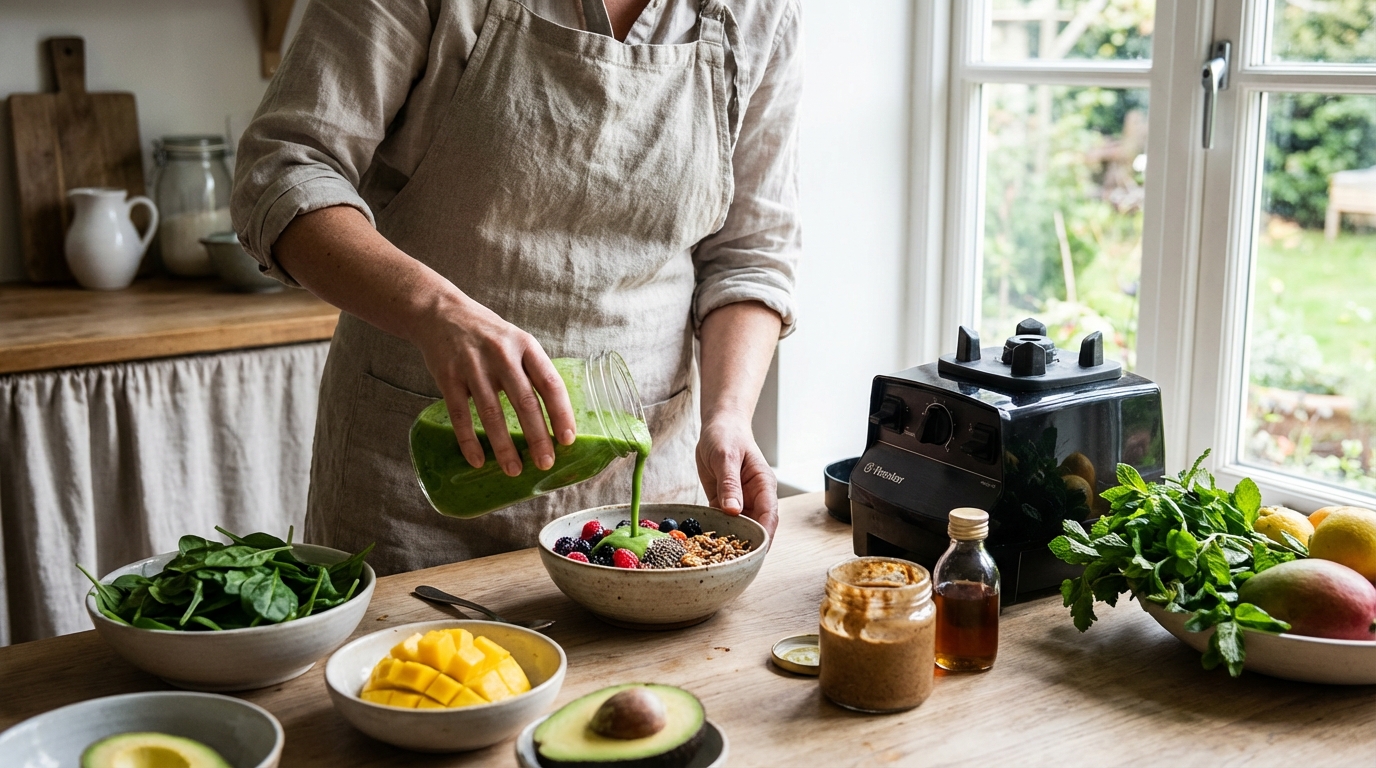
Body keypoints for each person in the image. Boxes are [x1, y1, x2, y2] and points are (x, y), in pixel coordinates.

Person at [231, 0, 802, 575]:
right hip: (418, 487)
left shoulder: (761, 11)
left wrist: (727, 415)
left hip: (639, 492)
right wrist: (435, 311)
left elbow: (750, 255)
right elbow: (283, 171)